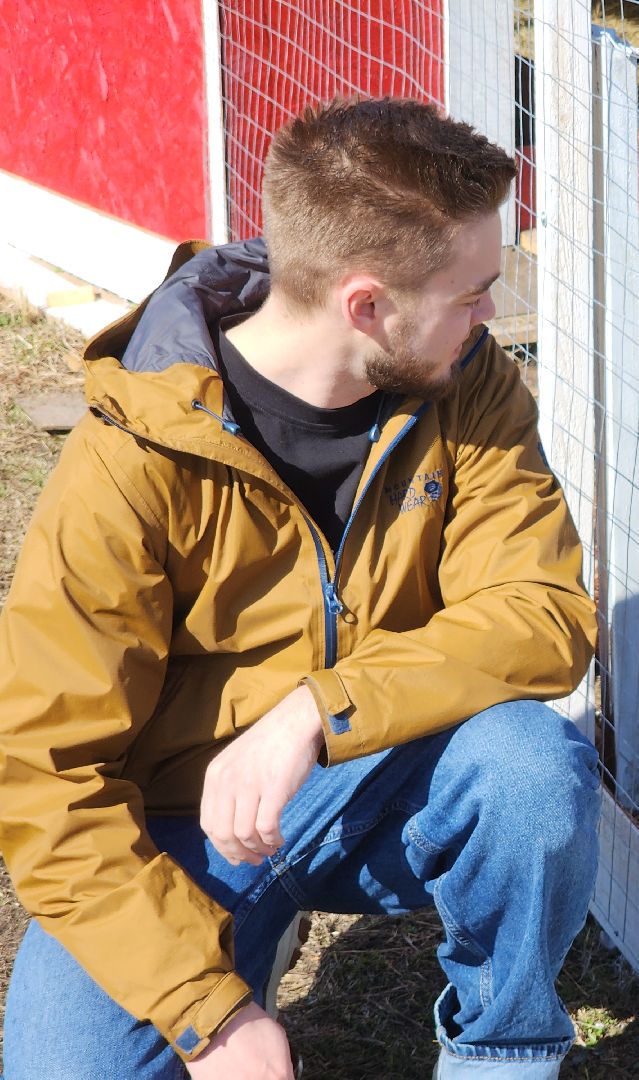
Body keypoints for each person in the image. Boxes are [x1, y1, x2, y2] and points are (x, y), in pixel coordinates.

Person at [0, 97, 601, 1079]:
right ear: (366, 306)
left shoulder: (467, 382)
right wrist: (209, 1016)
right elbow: (47, 777)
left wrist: (317, 711)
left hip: (379, 775)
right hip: (173, 831)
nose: (489, 315)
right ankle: (237, 942)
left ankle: (502, 1056)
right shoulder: (130, 456)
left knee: (531, 771)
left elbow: (543, 612)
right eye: (472, 292)